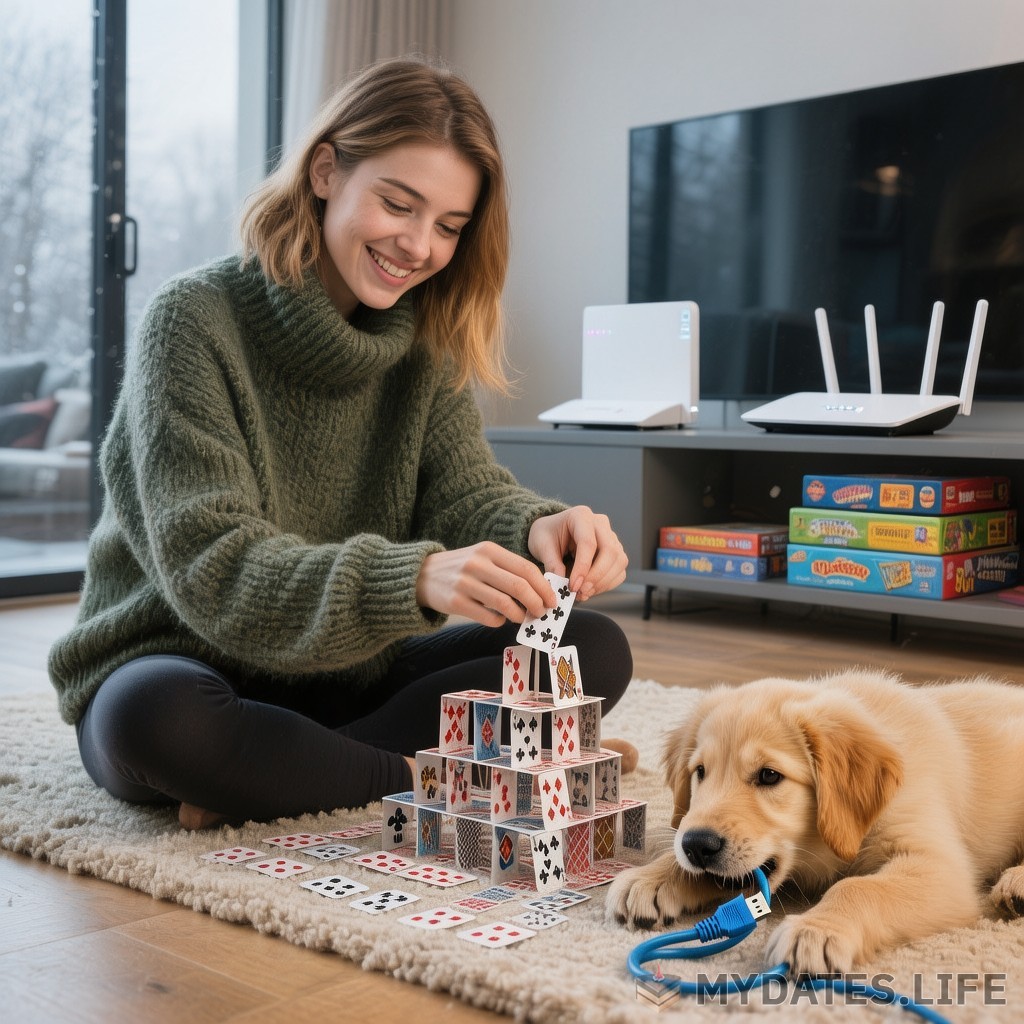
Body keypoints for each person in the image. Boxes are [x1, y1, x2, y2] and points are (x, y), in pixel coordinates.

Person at [48, 55, 634, 830]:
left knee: (592, 646)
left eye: (450, 227)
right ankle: (450, 774)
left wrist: (538, 528)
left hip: (346, 674)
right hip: (181, 660)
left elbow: (463, 490)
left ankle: (286, 770)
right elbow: (213, 566)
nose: (420, 246)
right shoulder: (191, 320)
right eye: (399, 204)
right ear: (326, 170)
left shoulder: (426, 342)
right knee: (157, 721)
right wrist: (414, 576)